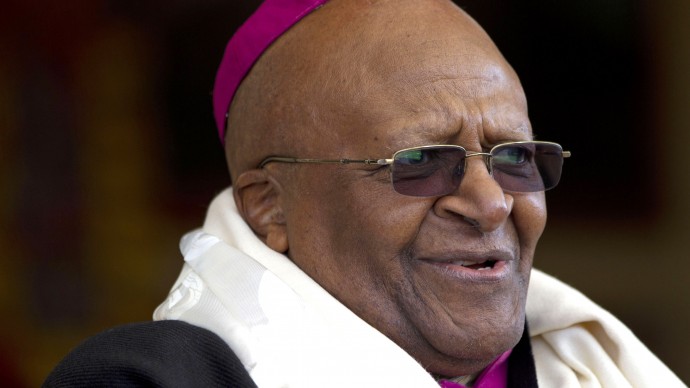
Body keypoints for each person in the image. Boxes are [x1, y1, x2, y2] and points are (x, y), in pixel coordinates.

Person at [45, 0, 684, 387]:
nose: (492, 203)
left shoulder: (592, 368)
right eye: (422, 161)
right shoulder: (153, 385)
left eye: (514, 157)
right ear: (270, 205)